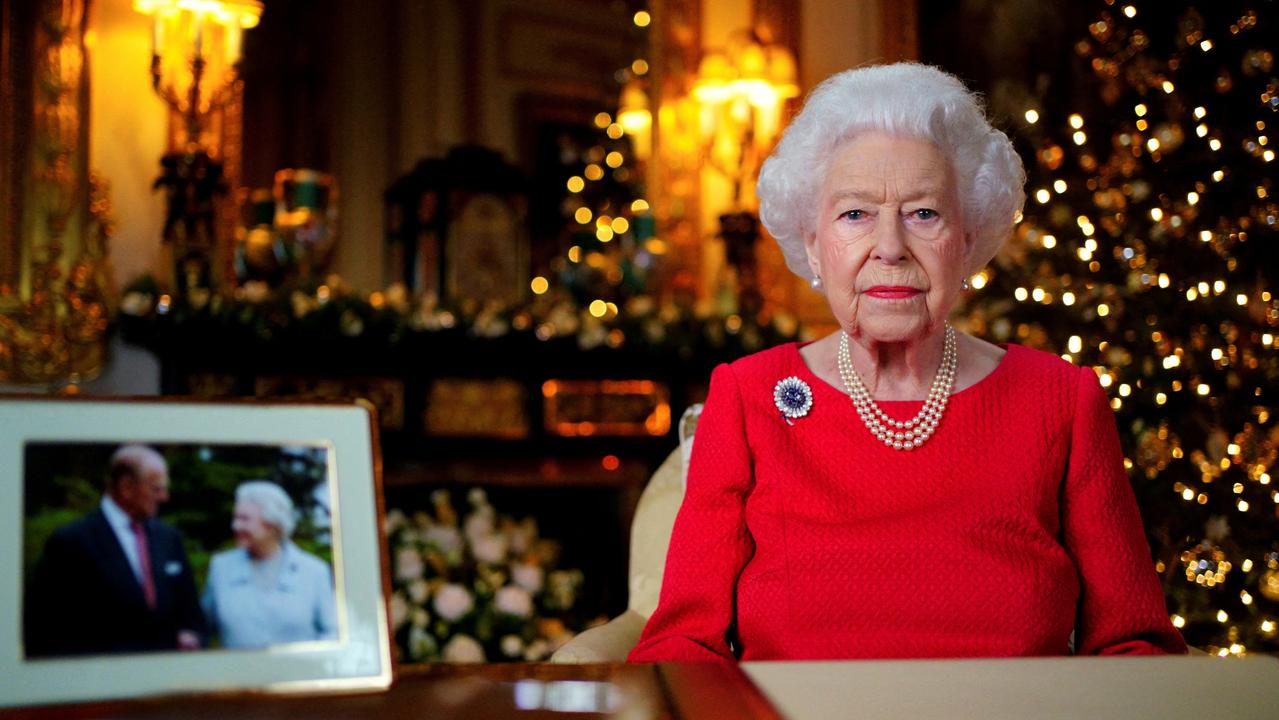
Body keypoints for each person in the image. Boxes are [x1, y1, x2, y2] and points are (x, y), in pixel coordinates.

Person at [629, 63, 1188, 662]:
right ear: (813, 242)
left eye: (924, 213)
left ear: (969, 239)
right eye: (855, 214)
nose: (891, 247)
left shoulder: (1059, 399)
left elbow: (1134, 644)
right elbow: (682, 646)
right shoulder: (749, 396)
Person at [25, 445, 204, 657]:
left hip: (167, 679)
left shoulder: (169, 538)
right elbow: (43, 630)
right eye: (156, 489)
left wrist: (192, 636)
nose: (165, 497)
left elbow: (192, 613)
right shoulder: (71, 542)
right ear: (126, 487)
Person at [202, 481, 338, 648]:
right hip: (237, 673)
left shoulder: (314, 571)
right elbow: (202, 627)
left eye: (245, 519)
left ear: (272, 525)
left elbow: (332, 632)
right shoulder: (221, 568)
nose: (235, 526)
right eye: (235, 518)